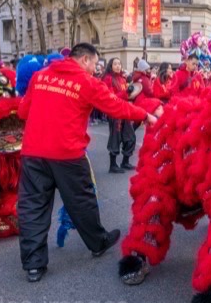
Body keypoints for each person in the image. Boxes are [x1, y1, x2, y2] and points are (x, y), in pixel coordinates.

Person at [17, 43, 158, 283]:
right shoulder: (86, 82)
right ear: (84, 60)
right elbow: (116, 106)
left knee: (33, 207)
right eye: (94, 64)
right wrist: (145, 115)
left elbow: (23, 112)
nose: (95, 69)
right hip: (67, 154)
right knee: (82, 203)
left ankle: (33, 265)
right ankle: (97, 242)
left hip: (33, 152)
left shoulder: (40, 77)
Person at [102, 58, 140, 174]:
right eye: (115, 64)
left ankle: (125, 161)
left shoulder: (122, 79)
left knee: (130, 136)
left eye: (119, 63)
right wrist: (126, 92)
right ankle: (113, 165)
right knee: (115, 138)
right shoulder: (108, 79)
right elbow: (110, 97)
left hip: (124, 111)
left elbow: (127, 96)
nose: (118, 66)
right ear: (110, 65)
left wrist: (132, 92)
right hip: (114, 113)